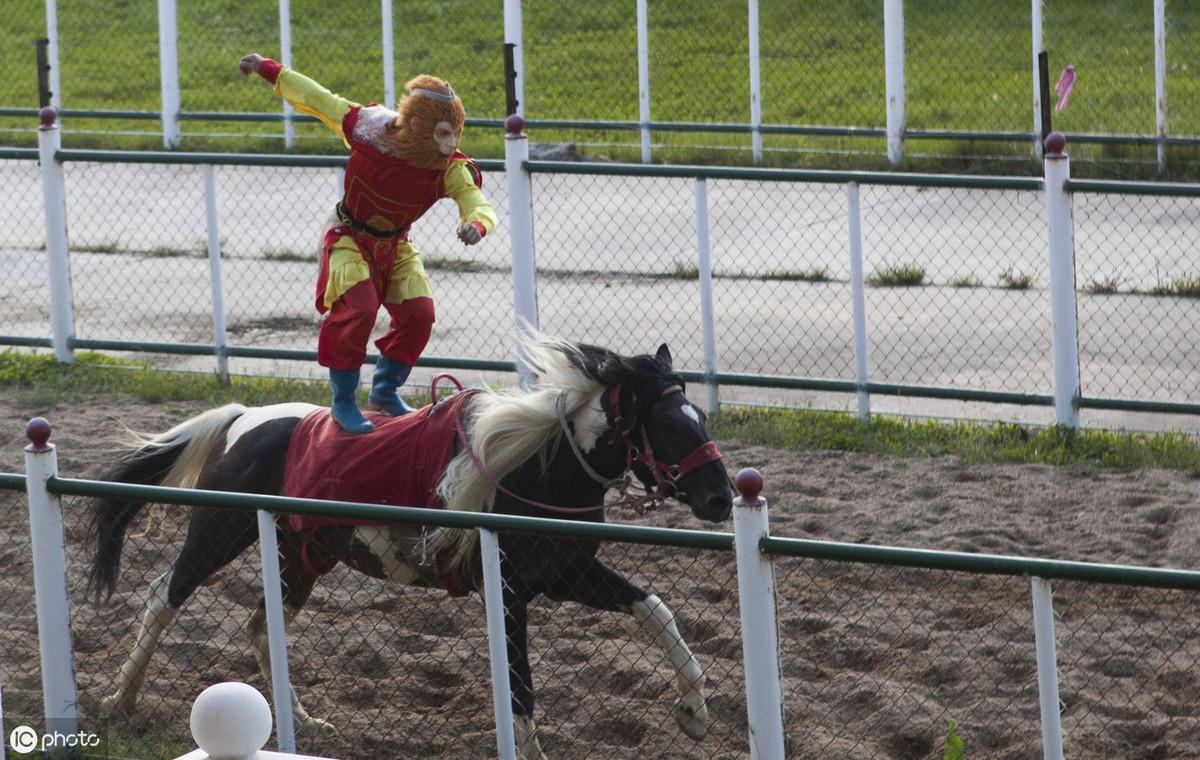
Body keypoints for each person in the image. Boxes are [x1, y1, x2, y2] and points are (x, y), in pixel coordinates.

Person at [239, 53, 498, 434]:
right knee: (358, 308)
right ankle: (343, 400)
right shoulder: (367, 129)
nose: (452, 144)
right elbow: (317, 97)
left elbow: (477, 203)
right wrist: (269, 69)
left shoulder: (449, 169)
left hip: (395, 244)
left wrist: (476, 225)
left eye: (456, 133)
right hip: (349, 234)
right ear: (418, 125)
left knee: (420, 312)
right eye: (444, 133)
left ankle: (384, 389)